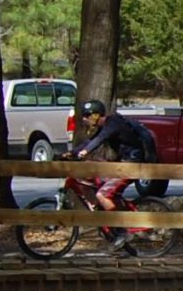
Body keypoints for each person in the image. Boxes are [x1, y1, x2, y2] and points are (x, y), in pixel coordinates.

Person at [67, 100, 158, 236]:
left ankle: (121, 232)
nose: (85, 119)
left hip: (131, 164)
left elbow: (100, 139)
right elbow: (91, 141)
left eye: (87, 115)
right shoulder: (105, 127)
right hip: (121, 164)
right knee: (87, 176)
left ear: (96, 115)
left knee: (102, 195)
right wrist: (72, 152)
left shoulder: (113, 122)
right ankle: (104, 213)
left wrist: (85, 152)